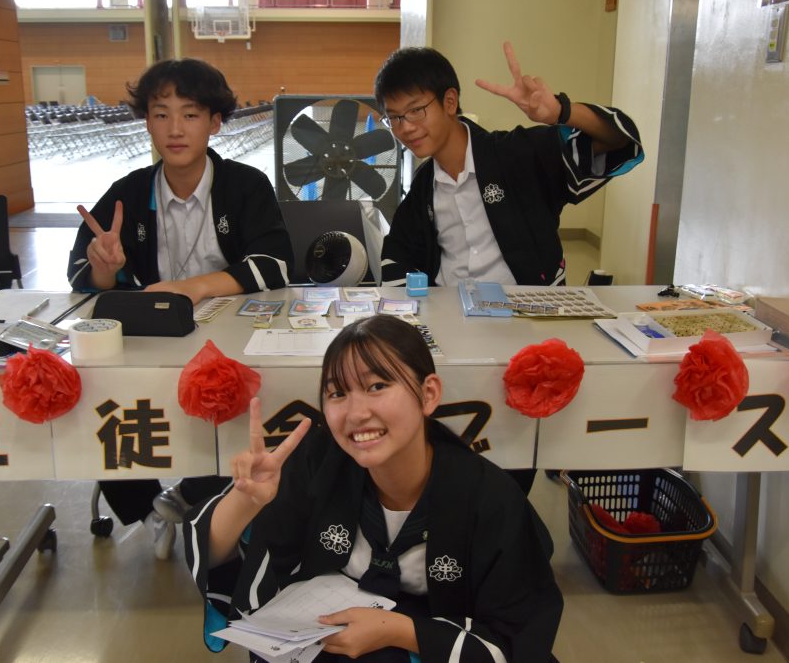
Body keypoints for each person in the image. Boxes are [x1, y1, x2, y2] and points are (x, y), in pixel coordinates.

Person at [184, 315, 564, 661]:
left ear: (428, 394)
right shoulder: (317, 460)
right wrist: (245, 501)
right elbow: (220, 560)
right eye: (337, 393)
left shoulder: (488, 499)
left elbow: (517, 639)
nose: (355, 413)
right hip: (330, 641)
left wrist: (401, 632)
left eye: (377, 385)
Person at [67, 58, 295, 560]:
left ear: (215, 123)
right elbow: (84, 279)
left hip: (233, 339)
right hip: (153, 339)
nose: (174, 129)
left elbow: (275, 264)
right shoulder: (128, 191)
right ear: (146, 121)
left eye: (190, 115)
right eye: (160, 114)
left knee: (245, 402)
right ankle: (151, 507)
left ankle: (195, 494)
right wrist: (105, 266)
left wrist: (193, 288)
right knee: (102, 398)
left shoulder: (245, 185)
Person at [376, 42, 643, 289]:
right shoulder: (423, 188)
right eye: (395, 118)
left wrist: (561, 112)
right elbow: (396, 259)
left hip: (529, 318)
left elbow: (619, 141)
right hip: (451, 318)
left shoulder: (518, 155)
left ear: (450, 101)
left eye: (415, 111)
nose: (406, 127)